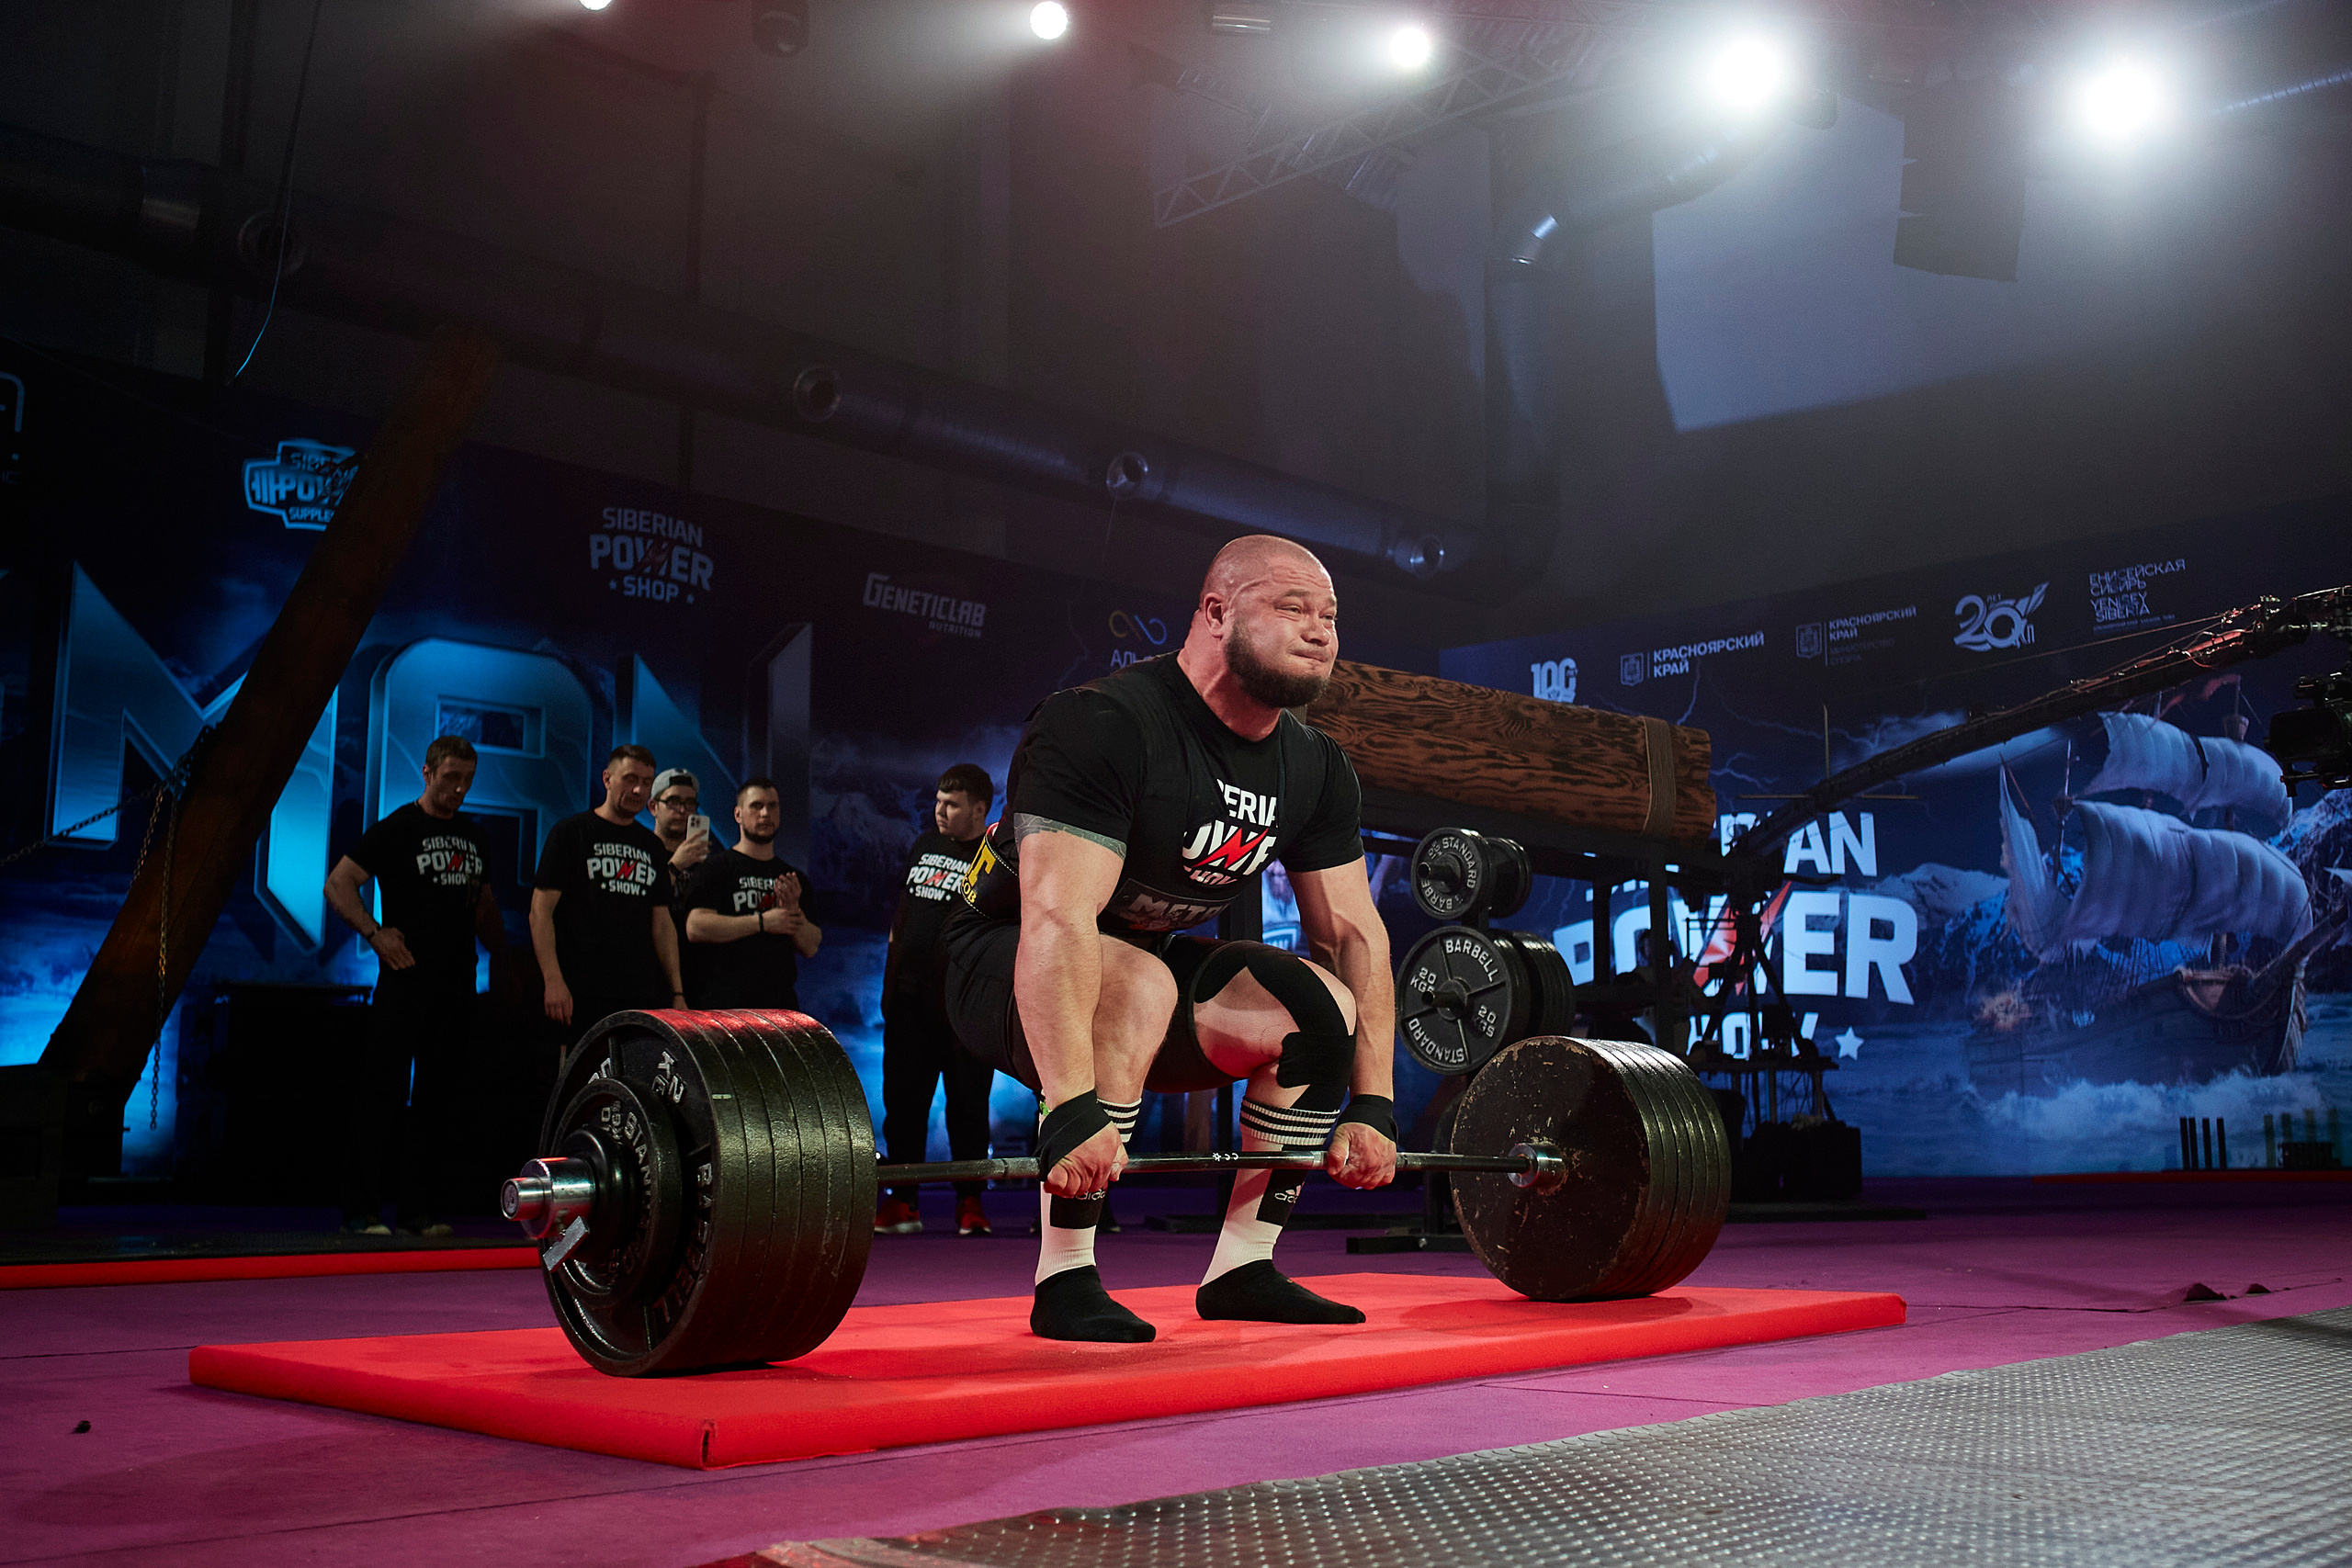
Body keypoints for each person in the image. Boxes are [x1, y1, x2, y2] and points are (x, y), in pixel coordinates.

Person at [942, 534, 1396, 1343]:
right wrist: (1073, 1108)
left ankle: (1244, 1266)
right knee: (1135, 980)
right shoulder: (1104, 722)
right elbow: (1057, 918)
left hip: (1132, 973)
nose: (1321, 629)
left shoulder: (1316, 767)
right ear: (1216, 613)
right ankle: (1066, 1272)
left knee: (1318, 1004)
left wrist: (1373, 1105)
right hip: (1001, 959)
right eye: (1293, 606)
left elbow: (1355, 935)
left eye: (1330, 614)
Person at [323, 735, 506, 1235]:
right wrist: (374, 933)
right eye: (451, 777)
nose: (460, 788)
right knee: (381, 1091)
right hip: (405, 980)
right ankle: (361, 1211)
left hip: (457, 983)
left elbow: (484, 906)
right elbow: (339, 883)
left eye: (467, 779)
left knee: (437, 1096)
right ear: (427, 773)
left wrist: (509, 952)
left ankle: (417, 1211)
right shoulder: (399, 828)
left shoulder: (475, 836)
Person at [876, 763, 1000, 1238]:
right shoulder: (924, 845)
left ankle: (970, 1202)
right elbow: (901, 920)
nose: (940, 811)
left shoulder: (995, 856)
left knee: (968, 1105)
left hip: (964, 1007)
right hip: (908, 1004)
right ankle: (904, 1201)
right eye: (938, 802)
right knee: (904, 1103)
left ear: (979, 809)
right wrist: (890, 988)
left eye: (951, 804)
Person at [531, 745, 687, 1038]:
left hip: (639, 992)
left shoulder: (652, 846)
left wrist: (677, 992)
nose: (639, 790)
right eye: (630, 779)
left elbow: (663, 923)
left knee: (630, 1078)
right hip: (580, 989)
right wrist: (552, 980)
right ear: (607, 779)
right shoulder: (571, 833)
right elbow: (540, 911)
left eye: (646, 782)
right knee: (580, 1080)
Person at [682, 777, 823, 1009]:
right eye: (756, 806)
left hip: (780, 1010)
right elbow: (696, 927)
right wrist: (761, 922)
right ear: (738, 814)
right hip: (725, 1007)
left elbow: (811, 946)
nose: (766, 813)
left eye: (772, 806)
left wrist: (793, 911)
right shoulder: (717, 868)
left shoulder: (794, 878)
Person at [649, 767, 712, 995]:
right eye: (673, 802)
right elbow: (641, 905)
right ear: (653, 807)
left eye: (689, 803)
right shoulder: (643, 851)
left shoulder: (708, 862)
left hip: (699, 976)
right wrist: (676, 865)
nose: (683, 810)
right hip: (651, 971)